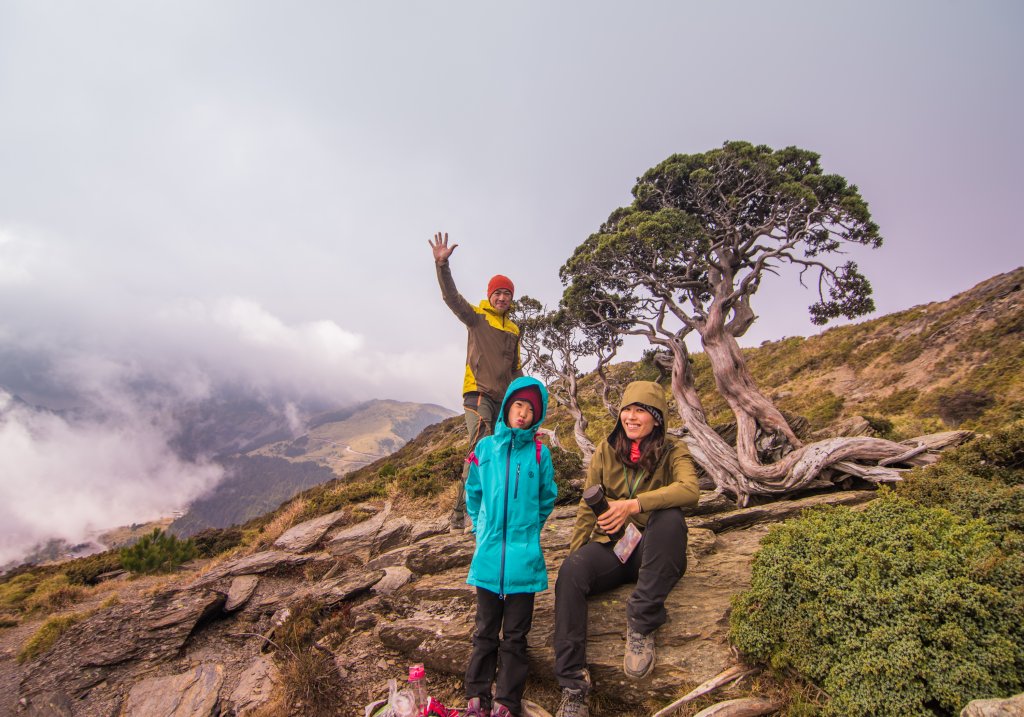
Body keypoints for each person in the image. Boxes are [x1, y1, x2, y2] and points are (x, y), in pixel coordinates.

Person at [552, 381, 699, 717]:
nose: (631, 417)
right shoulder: (606, 449)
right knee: (571, 572)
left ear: (657, 418)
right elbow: (587, 505)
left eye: (641, 410)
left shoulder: (673, 450)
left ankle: (641, 623)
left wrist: (634, 504)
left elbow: (690, 490)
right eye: (627, 409)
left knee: (670, 517)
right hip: (616, 547)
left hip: (655, 550)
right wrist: (576, 553)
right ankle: (573, 688)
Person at [463, 376, 558, 717]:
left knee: (516, 636)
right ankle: (477, 696)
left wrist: (531, 528)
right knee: (485, 631)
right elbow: (473, 492)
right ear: (506, 407)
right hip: (488, 556)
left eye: (530, 410)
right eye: (518, 405)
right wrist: (481, 527)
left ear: (537, 416)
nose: (522, 414)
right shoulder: (485, 449)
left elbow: (547, 497)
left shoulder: (540, 454)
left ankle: (506, 701)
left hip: (524, 560)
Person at [429, 231, 523, 531]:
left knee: (501, 454)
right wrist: (442, 265)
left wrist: (526, 397)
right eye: (498, 293)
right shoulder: (476, 317)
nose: (502, 297)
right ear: (490, 294)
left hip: (503, 401)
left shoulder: (514, 330)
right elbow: (451, 298)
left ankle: (490, 511)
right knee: (481, 449)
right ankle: (462, 515)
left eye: (507, 294)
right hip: (478, 395)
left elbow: (515, 368)